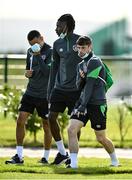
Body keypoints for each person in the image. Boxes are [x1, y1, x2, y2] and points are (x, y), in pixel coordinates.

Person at [67, 36, 120, 168]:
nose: (80, 51)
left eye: (83, 48)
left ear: (90, 47)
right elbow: (79, 86)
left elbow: (90, 85)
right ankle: (73, 164)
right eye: (78, 48)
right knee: (71, 129)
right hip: (83, 103)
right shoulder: (80, 65)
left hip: (97, 104)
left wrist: (83, 106)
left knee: (101, 138)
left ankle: (115, 161)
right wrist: (81, 78)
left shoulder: (95, 61)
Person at [5, 30, 52, 164]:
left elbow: (47, 72)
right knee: (20, 120)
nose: (33, 47)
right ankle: (19, 156)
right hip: (30, 92)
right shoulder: (29, 51)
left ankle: (46, 157)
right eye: (31, 45)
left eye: (35, 43)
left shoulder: (51, 51)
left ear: (41, 38)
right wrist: (27, 74)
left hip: (44, 95)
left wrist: (37, 55)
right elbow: (28, 69)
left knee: (47, 125)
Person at [48, 14, 82, 165]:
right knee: (51, 118)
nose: (56, 29)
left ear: (67, 26)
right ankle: (62, 153)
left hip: (76, 90)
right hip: (59, 89)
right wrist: (49, 91)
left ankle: (73, 157)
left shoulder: (81, 41)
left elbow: (90, 61)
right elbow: (54, 68)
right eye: (56, 26)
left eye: (59, 26)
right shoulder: (56, 44)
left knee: (74, 124)